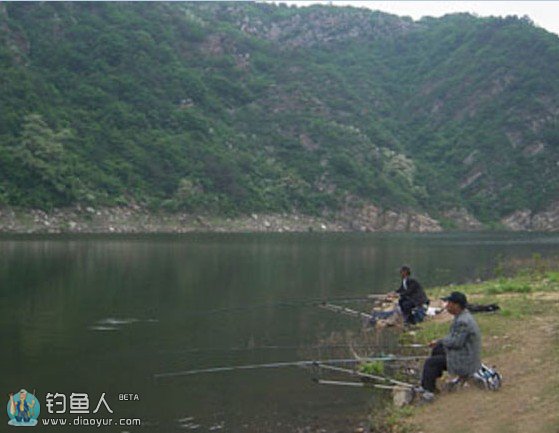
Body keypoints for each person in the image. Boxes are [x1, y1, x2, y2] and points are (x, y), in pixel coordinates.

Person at [418, 291, 482, 401]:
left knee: (430, 363)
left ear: (456, 305)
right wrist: (439, 342)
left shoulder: (463, 321)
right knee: (437, 349)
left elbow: (456, 343)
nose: (447, 306)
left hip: (465, 360)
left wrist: (442, 341)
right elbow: (454, 338)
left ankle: (428, 391)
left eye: (449, 303)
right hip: (465, 353)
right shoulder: (462, 316)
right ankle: (433, 382)